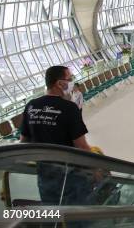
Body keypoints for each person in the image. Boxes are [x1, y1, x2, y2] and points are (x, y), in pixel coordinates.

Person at [20, 66, 92, 205]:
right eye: (70, 79)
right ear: (60, 84)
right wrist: (96, 168)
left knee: (53, 213)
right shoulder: (69, 108)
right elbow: (81, 146)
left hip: (45, 175)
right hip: (70, 177)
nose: (72, 83)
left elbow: (24, 143)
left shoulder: (31, 105)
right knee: (77, 217)